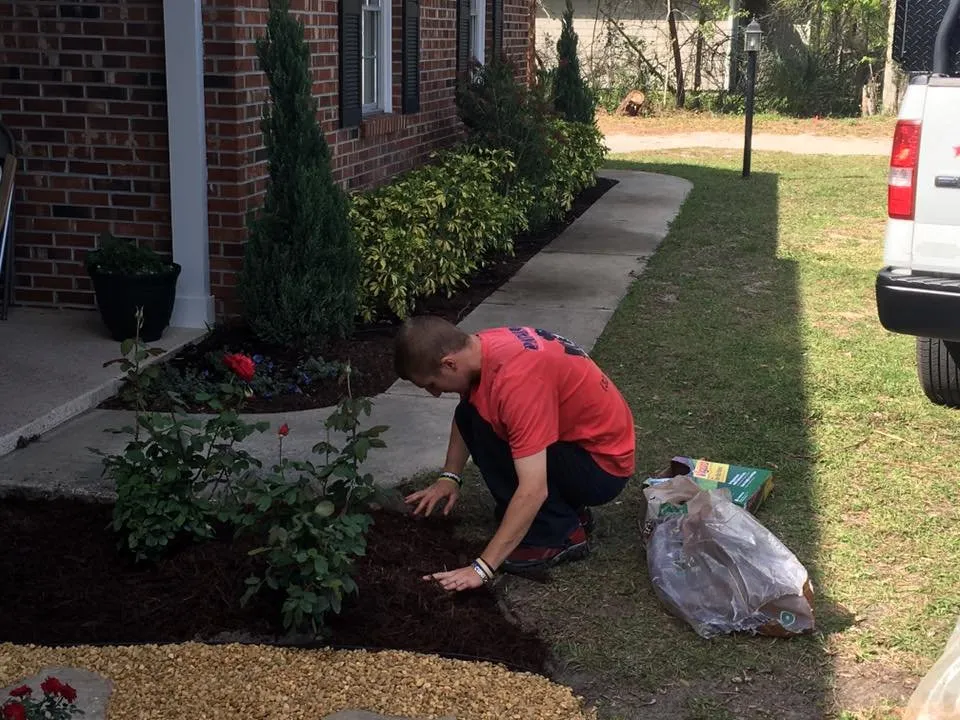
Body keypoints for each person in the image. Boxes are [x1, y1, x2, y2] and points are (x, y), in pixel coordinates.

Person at [394, 315, 635, 593]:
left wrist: (481, 568)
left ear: (449, 363)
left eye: (431, 384)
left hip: (602, 467)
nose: (434, 394)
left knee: (494, 436)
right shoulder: (481, 348)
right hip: (582, 447)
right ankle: (565, 513)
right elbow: (468, 412)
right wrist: (450, 476)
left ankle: (558, 534)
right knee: (477, 415)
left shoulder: (516, 380)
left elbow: (533, 489)